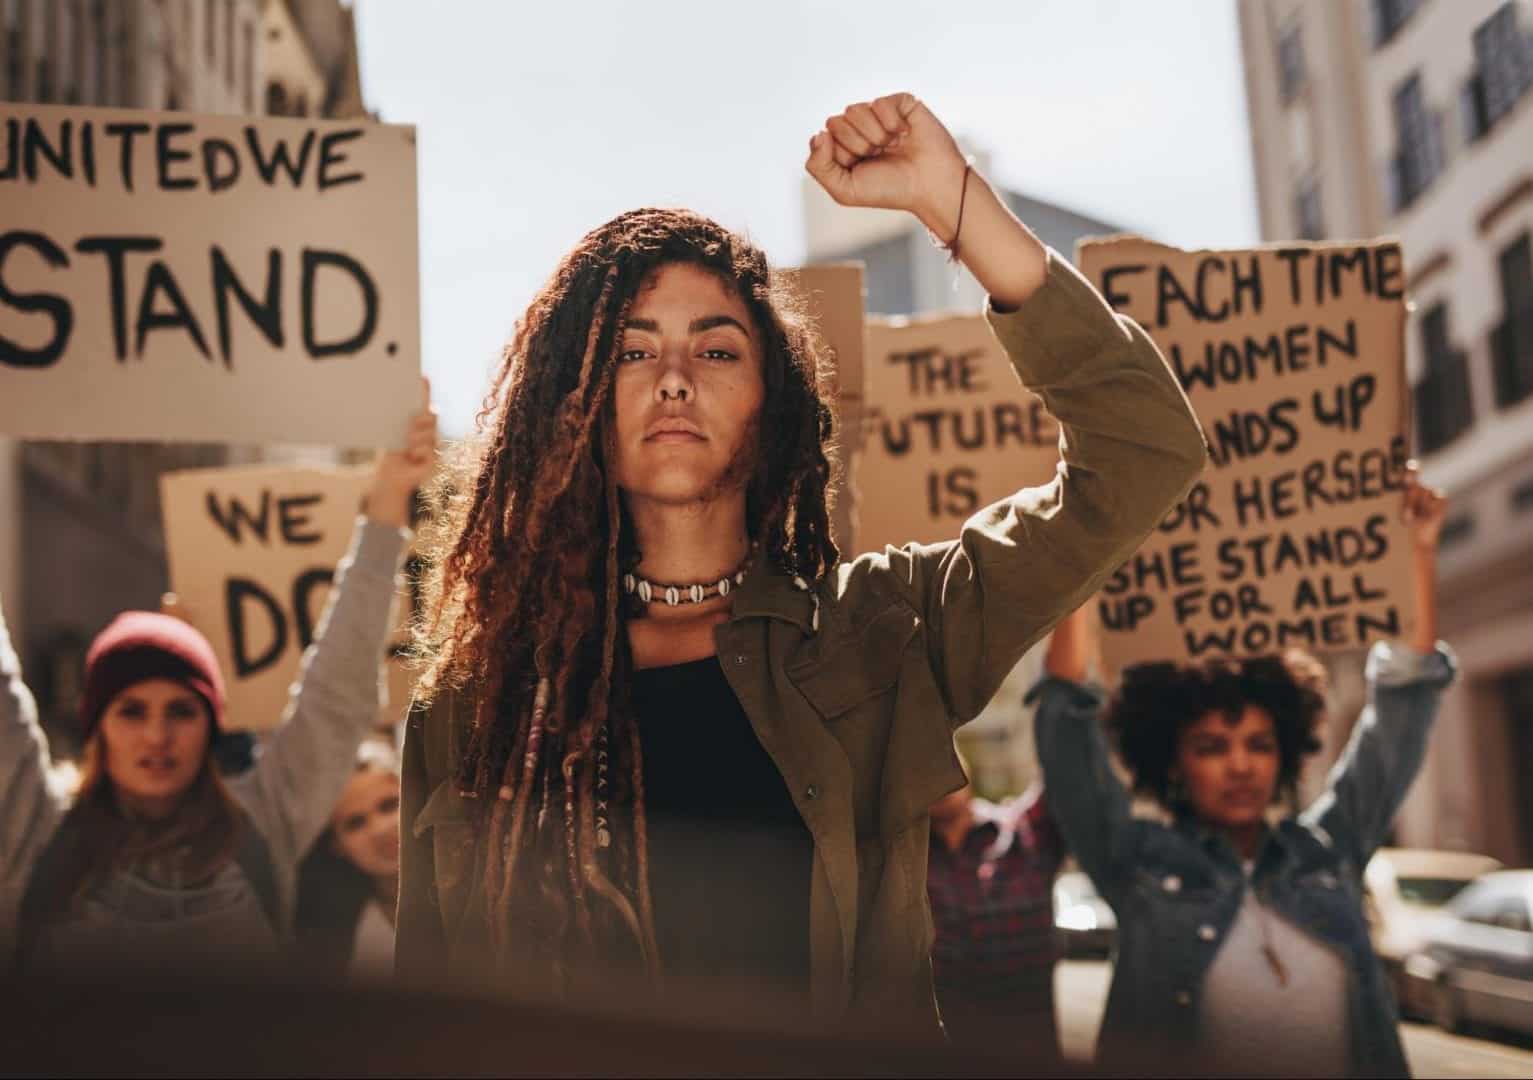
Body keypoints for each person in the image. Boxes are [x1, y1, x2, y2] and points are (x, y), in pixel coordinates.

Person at [398, 91, 1207, 1035]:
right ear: (568, 402)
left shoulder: (881, 632)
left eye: (717, 348)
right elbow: (429, 1016)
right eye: (628, 350)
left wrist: (951, 204)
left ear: (771, 404)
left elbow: (1144, 447)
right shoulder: (477, 699)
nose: (673, 378)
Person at [1033, 468, 1451, 1077]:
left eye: (1258, 743)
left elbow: (1402, 709)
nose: (1240, 765)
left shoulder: (1329, 852)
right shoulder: (1138, 864)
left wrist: (1416, 549)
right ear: (1173, 761)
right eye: (1211, 746)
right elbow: (1067, 718)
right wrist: (1093, 551)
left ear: (1284, 750)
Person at [0, 390, 435, 972]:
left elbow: (337, 694)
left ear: (212, 721)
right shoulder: (36, 823)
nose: (157, 735)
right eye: (131, 710)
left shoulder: (261, 818)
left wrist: (386, 504)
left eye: (182, 711)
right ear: (95, 721)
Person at [927, 750, 1063, 1052]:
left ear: (966, 769)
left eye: (938, 753)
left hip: (1031, 1051)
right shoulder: (898, 865)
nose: (934, 771)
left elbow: (1064, 768)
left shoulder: (1024, 832)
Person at [294, 740, 402, 981]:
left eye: (389, 805)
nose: (379, 829)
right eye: (355, 823)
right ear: (338, 846)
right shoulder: (341, 943)